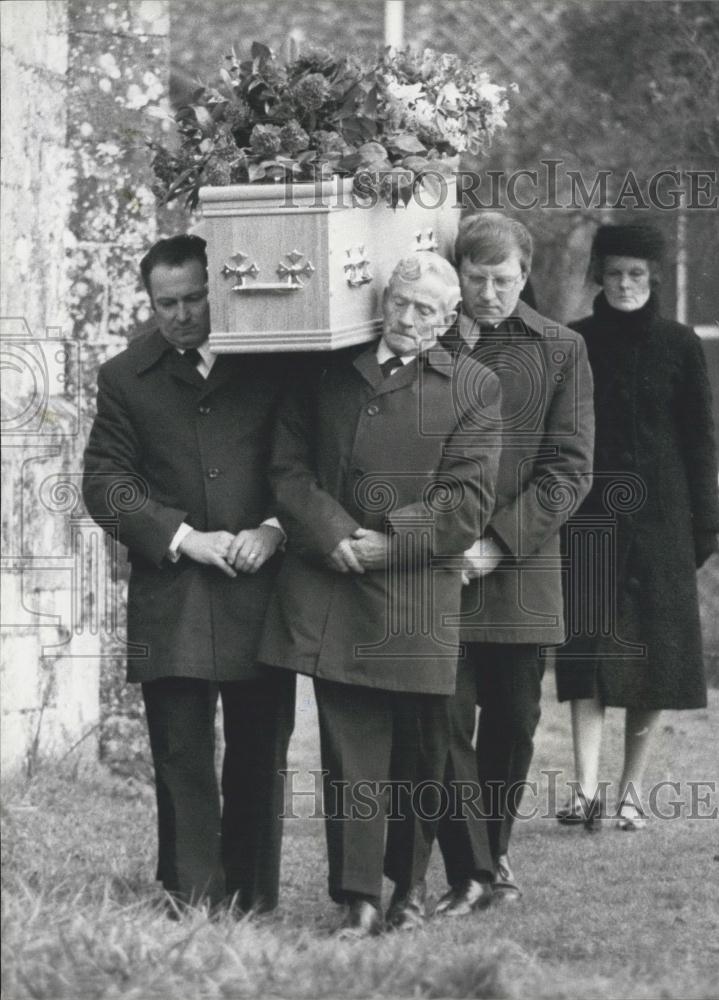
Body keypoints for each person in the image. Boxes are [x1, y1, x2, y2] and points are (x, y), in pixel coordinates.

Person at [258, 253, 502, 939]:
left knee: (421, 752)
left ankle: (409, 889)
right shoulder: (328, 368)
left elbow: (466, 501)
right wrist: (331, 532)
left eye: (426, 309)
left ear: (449, 319)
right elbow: (287, 466)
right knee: (349, 748)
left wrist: (388, 542)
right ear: (382, 299)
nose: (408, 318)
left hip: (415, 590)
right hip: (335, 582)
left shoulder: (473, 387)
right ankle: (358, 896)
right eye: (400, 301)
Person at [385, 212, 595, 915]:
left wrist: (498, 542)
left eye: (502, 280)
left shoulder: (560, 349)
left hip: (520, 570)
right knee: (440, 724)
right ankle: (461, 868)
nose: (488, 293)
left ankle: (492, 856)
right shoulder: (425, 335)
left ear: (525, 275)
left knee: (512, 721)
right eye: (475, 279)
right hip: (433, 570)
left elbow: (568, 469)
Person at [82, 234, 295, 914]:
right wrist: (181, 537)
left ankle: (253, 896)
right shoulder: (123, 376)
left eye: (194, 298)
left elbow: (307, 460)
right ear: (149, 302)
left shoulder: (273, 360)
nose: (180, 314)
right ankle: (191, 896)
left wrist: (272, 529)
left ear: (219, 289)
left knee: (260, 749)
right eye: (164, 302)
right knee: (180, 751)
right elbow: (105, 482)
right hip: (171, 588)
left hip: (260, 583)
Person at [554, 222, 719, 831]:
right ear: (599, 274)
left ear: (653, 278)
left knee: (655, 653)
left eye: (636, 274)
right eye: (614, 272)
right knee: (588, 650)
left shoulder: (680, 345)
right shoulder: (574, 342)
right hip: (590, 516)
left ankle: (630, 793)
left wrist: (706, 524)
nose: (625, 284)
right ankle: (585, 790)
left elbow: (700, 439)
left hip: (664, 521)